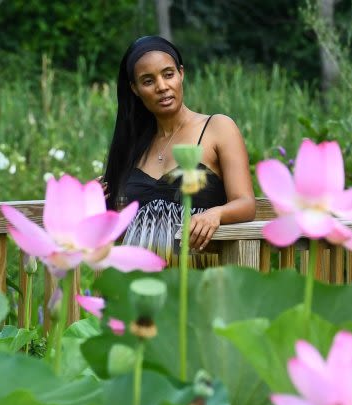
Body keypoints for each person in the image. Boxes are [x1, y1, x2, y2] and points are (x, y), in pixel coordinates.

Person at [103, 36, 256, 267]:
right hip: (140, 284)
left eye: (168, 74)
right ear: (134, 89)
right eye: (148, 81)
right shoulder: (133, 147)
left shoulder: (218, 128)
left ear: (181, 73)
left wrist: (216, 214)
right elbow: (123, 223)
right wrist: (98, 201)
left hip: (199, 279)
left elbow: (245, 203)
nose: (162, 87)